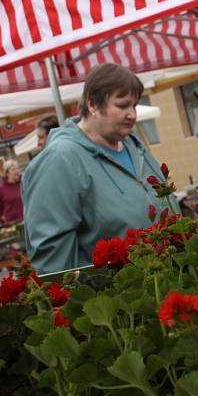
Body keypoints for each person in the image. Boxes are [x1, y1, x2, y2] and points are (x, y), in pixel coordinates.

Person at [22, 63, 168, 274]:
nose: (132, 115)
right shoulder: (60, 160)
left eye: (134, 106)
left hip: (160, 281)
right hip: (111, 298)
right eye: (122, 105)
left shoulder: (134, 147)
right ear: (92, 105)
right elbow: (54, 260)